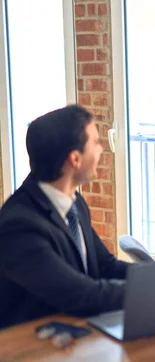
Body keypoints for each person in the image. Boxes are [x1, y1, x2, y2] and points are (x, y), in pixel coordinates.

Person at [0, 105, 133, 329]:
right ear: (75, 159)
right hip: (27, 353)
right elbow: (81, 296)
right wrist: (154, 290)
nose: (101, 150)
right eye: (96, 143)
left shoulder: (75, 204)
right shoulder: (19, 225)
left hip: (72, 341)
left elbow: (105, 266)